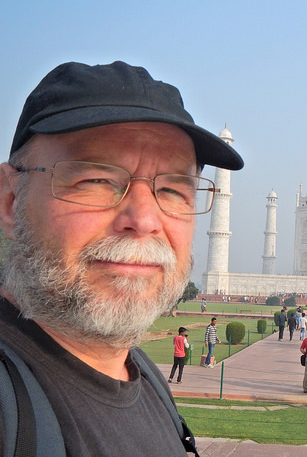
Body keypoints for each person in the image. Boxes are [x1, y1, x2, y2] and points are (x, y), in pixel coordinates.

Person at [0, 60, 244, 455]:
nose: (144, 220)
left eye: (172, 190)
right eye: (96, 180)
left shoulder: (144, 374)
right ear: (11, 201)